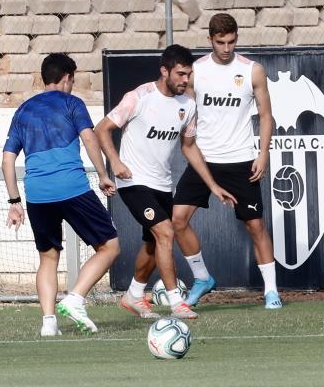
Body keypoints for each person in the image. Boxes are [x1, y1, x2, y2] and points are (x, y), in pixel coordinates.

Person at [95, 44, 236, 320]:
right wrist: (116, 162)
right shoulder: (139, 97)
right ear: (164, 71)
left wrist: (213, 185)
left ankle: (134, 296)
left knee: (152, 243)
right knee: (166, 232)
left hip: (162, 184)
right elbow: (102, 129)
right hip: (133, 182)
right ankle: (176, 302)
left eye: (188, 74)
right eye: (181, 74)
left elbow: (190, 147)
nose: (186, 80)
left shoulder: (189, 105)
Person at [2, 53, 120, 336]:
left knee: (48, 257)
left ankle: (48, 324)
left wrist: (15, 203)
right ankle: (76, 298)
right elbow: (89, 138)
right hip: (72, 188)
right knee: (110, 247)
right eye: (73, 80)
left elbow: (7, 160)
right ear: (66, 78)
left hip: (37, 195)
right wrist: (103, 175)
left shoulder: (23, 111)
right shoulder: (72, 103)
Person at [171, 13, 282, 309]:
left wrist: (263, 152)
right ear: (210, 40)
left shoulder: (252, 71)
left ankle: (271, 291)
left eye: (231, 41)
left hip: (240, 159)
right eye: (220, 42)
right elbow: (186, 111)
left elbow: (266, 114)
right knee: (178, 220)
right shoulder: (195, 71)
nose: (226, 48)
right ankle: (202, 278)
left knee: (256, 226)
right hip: (204, 158)